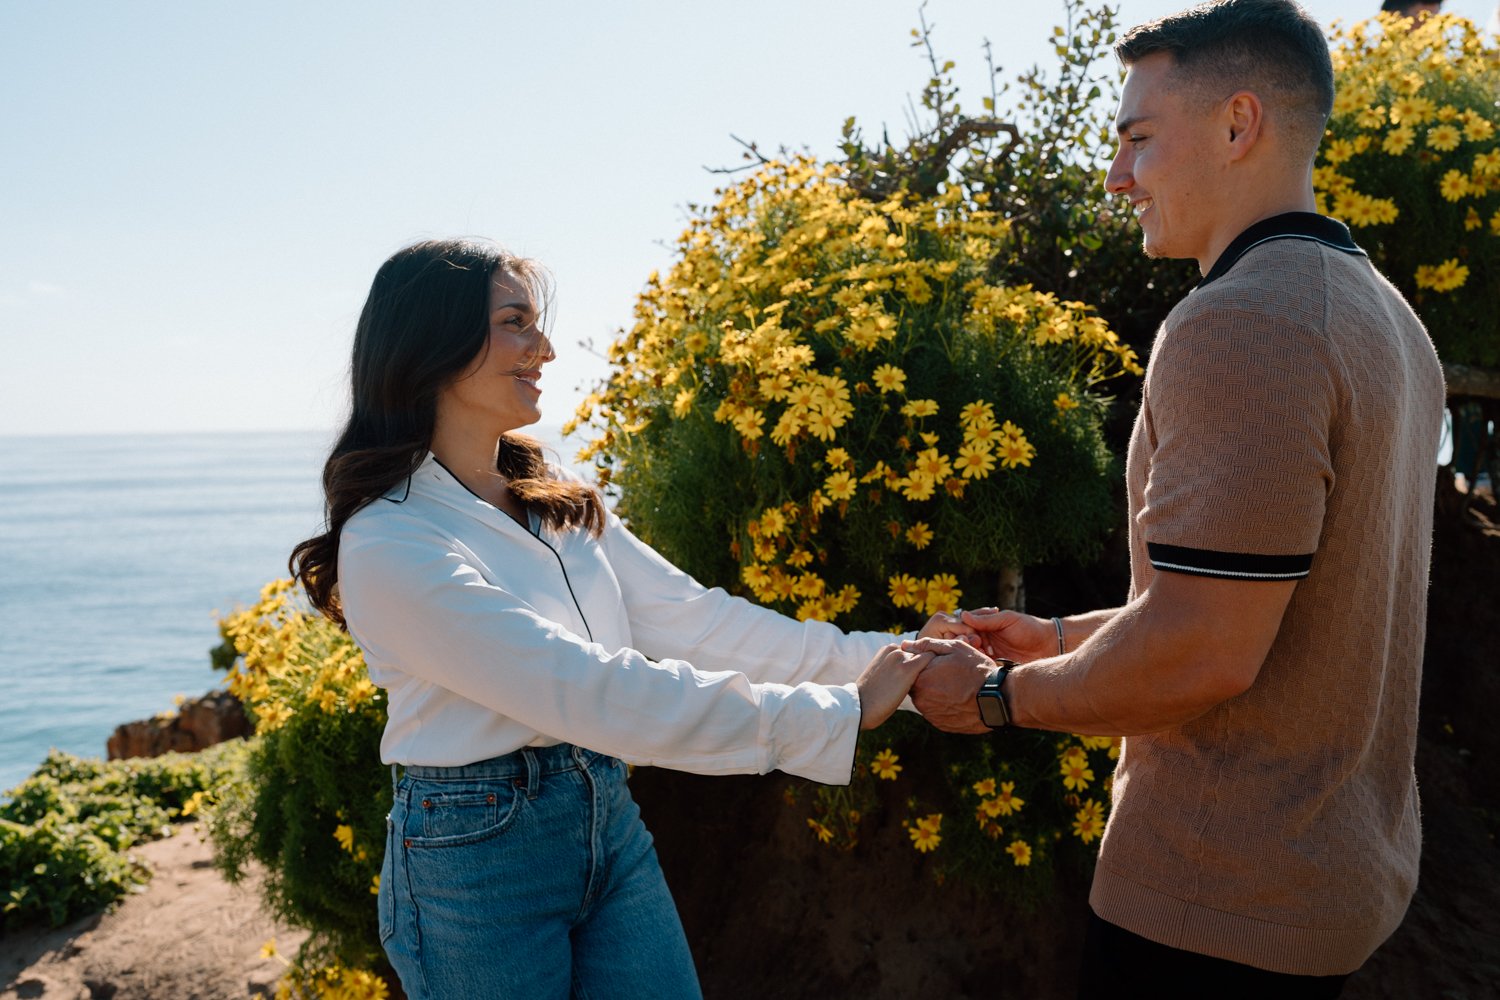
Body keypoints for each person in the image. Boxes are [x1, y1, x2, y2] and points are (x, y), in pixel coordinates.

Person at [904, 0, 1445, 994]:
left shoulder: (1242, 321)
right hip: (1327, 888)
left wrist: (992, 697)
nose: (1117, 178)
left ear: (1239, 125)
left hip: (1213, 910)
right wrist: (1062, 634)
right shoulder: (1386, 319)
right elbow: (1265, 608)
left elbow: (1204, 648)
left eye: (1139, 140)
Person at [288, 238, 969, 999]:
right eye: (516, 322)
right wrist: (837, 711)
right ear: (432, 344)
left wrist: (897, 658)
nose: (543, 347)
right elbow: (585, 689)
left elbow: (700, 624)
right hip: (475, 859)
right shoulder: (391, 538)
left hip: (605, 816)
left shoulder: (554, 497)